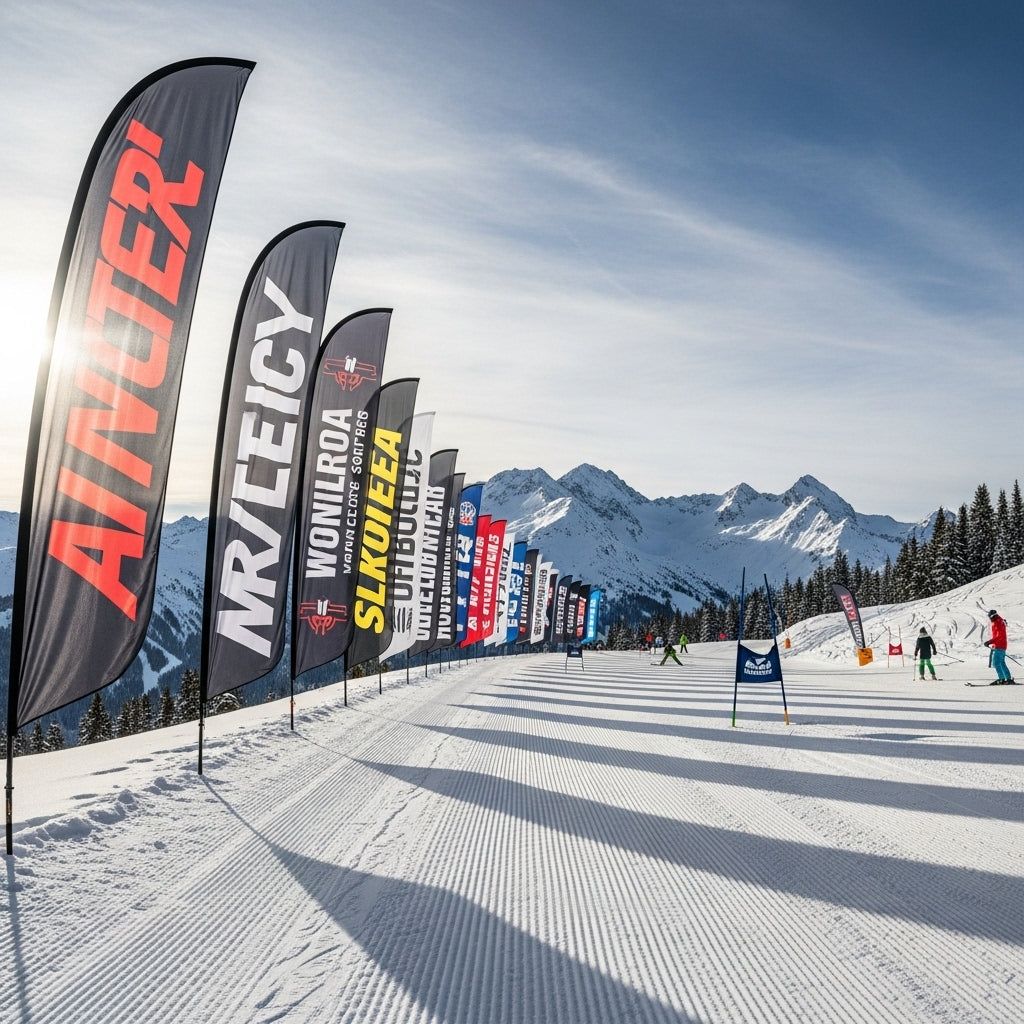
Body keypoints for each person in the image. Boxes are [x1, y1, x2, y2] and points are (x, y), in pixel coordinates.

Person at [984, 609, 1014, 684]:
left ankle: (1002, 679)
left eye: (990, 617)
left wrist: (989, 642)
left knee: (996, 663)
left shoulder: (997, 622)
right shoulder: (999, 621)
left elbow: (999, 636)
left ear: (992, 616)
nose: (989, 619)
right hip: (1001, 645)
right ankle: (1008, 678)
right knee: (1001, 663)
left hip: (999, 645)